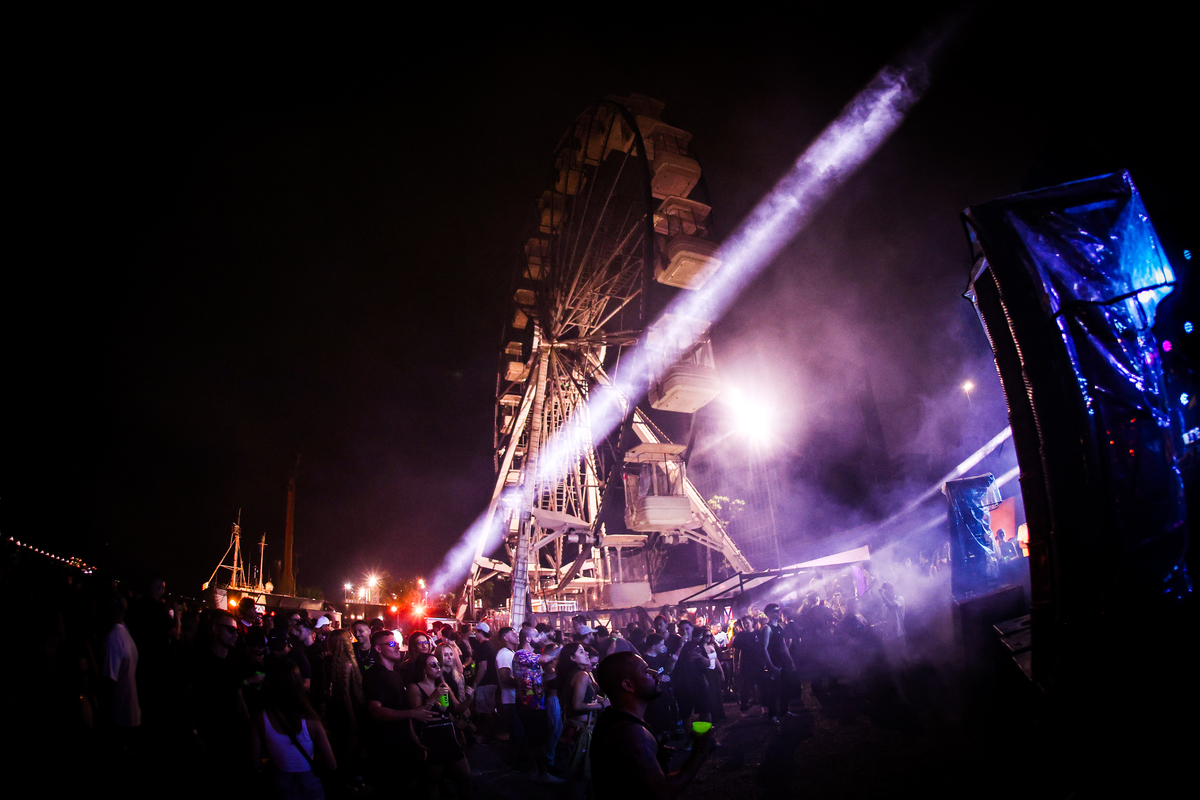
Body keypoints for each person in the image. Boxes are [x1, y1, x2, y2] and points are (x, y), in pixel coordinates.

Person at [591, 652, 712, 800]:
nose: (655, 674)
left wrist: (651, 752)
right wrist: (701, 750)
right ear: (628, 685)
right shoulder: (629, 732)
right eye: (646, 672)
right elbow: (663, 792)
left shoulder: (614, 716)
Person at [251, 661, 336, 799]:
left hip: (279, 781)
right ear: (297, 684)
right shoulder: (311, 721)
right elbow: (331, 764)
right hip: (310, 782)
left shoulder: (259, 718)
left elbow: (254, 763)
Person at [405, 654, 472, 800]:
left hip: (448, 734)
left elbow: (456, 709)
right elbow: (417, 715)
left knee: (465, 777)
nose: (438, 668)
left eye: (438, 664)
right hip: (431, 737)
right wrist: (432, 698)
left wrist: (469, 699)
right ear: (423, 669)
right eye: (433, 665)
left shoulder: (442, 685)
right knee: (433, 782)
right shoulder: (415, 687)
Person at [512, 626, 563, 783]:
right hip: (529, 704)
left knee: (533, 739)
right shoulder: (521, 654)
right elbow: (546, 659)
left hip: (535, 703)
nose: (539, 638)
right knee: (538, 741)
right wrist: (561, 646)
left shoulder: (531, 656)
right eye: (536, 636)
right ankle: (543, 774)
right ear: (528, 639)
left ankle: (534, 771)